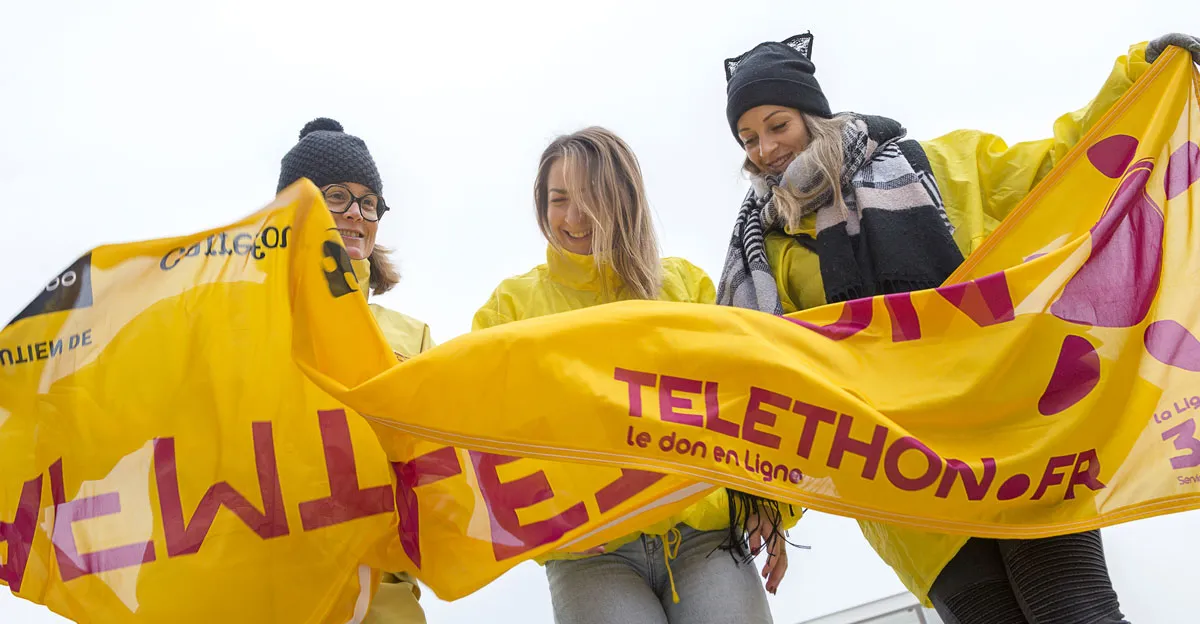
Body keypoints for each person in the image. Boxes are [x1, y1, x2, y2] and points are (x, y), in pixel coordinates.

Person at [716, 32, 1200, 624]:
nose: (765, 148)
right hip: (902, 474)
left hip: (1009, 435)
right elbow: (775, 383)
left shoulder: (933, 167)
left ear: (812, 116)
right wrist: (768, 500)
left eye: (777, 125)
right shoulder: (761, 254)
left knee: (1073, 612)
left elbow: (1062, 163)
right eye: (748, 138)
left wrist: (1137, 78)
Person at [471, 126, 797, 624]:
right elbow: (481, 432)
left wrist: (772, 504)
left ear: (623, 200)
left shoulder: (683, 285)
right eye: (559, 200)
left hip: (704, 536)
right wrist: (547, 529)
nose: (573, 218)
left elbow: (747, 397)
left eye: (589, 199)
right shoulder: (510, 308)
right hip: (591, 554)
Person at [276, 117, 434, 624]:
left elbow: (436, 462)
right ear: (296, 209)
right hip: (276, 582)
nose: (355, 214)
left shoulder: (415, 337)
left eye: (369, 203)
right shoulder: (251, 323)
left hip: (383, 590)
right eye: (336, 196)